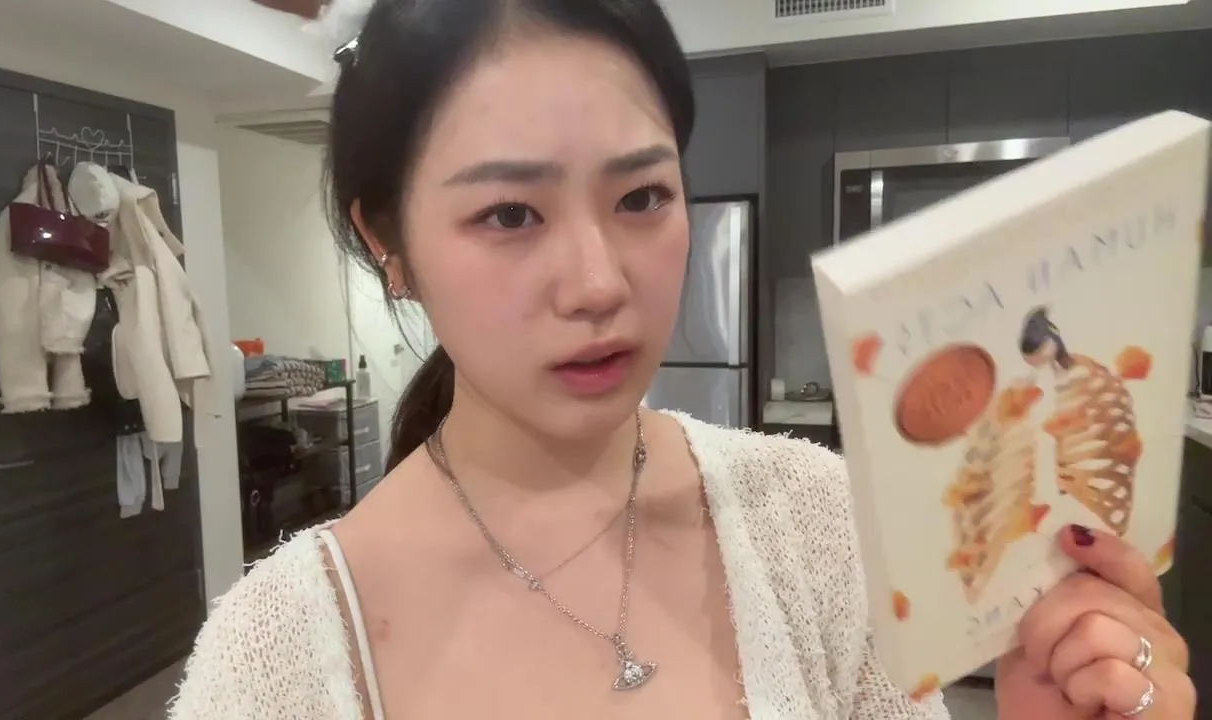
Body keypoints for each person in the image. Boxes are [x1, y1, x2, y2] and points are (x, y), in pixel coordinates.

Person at [171, 1, 1194, 718]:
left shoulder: (814, 526)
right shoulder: (273, 662)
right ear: (388, 242)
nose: (598, 282)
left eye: (642, 197)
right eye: (509, 213)